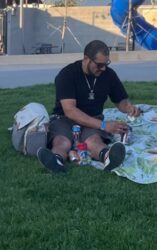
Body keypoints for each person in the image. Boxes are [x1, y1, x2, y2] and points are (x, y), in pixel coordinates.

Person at [37, 40, 137, 174]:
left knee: (93, 141)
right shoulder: (67, 74)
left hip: (93, 118)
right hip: (64, 118)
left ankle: (108, 158)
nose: (103, 68)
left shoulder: (109, 75)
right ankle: (56, 161)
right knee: (62, 142)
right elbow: (70, 110)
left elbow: (120, 101)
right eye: (99, 65)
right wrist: (103, 125)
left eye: (106, 64)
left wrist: (129, 108)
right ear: (86, 59)